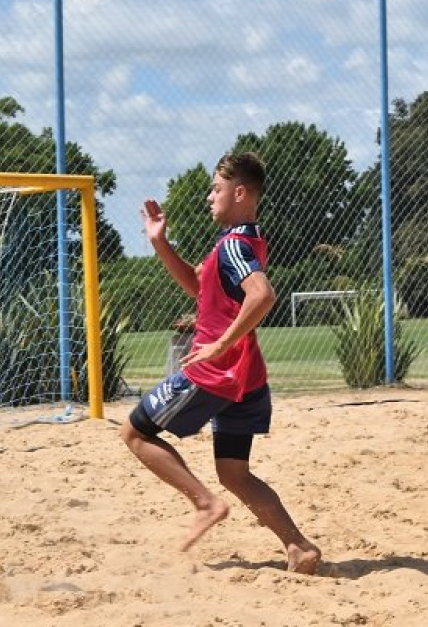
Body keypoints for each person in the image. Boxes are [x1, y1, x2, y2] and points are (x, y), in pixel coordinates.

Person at [120, 151, 321, 575]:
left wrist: (219, 344)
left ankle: (205, 504)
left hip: (214, 373)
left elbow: (262, 294)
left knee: (134, 432)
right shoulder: (246, 240)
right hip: (247, 376)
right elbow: (198, 286)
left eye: (216, 189)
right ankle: (298, 547)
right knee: (234, 472)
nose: (209, 197)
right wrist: (159, 242)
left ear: (240, 192)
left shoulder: (232, 245)